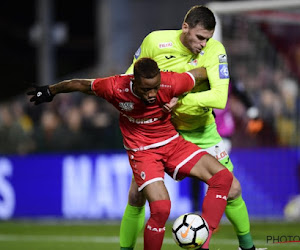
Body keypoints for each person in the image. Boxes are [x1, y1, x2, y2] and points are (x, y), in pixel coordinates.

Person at [27, 58, 233, 250]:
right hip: (142, 152)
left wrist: (183, 98)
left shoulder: (171, 82)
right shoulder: (115, 87)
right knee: (161, 209)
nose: (152, 94)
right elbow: (81, 84)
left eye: (155, 87)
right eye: (146, 89)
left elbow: (203, 73)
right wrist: (50, 91)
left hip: (172, 143)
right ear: (134, 81)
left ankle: (204, 244)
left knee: (222, 177)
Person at [121, 6, 266, 250]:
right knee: (137, 195)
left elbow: (220, 98)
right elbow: (129, 78)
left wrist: (181, 99)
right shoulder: (155, 42)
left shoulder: (215, 50)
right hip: (164, 131)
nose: (203, 44)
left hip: (202, 131)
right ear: (185, 27)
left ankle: (247, 247)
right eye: (200, 37)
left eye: (207, 38)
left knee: (232, 188)